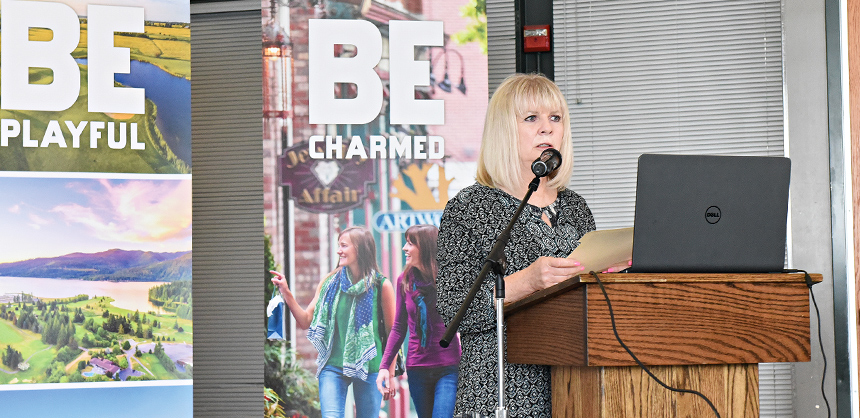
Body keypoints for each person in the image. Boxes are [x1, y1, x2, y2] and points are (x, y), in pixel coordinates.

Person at [435, 73, 599, 418]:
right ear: (503, 129)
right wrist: (528, 281)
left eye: (556, 118)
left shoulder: (576, 207)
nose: (547, 128)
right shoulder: (470, 207)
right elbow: (453, 310)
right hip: (501, 387)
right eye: (531, 118)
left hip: (576, 385)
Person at [271, 226, 396, 418]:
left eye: (344, 246)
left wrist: (390, 373)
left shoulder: (381, 285)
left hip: (370, 365)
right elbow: (305, 321)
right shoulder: (330, 283)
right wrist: (286, 291)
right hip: (333, 365)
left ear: (360, 249)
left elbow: (392, 334)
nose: (339, 251)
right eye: (339, 245)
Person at [376, 224, 461, 418]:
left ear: (426, 247)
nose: (405, 248)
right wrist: (384, 367)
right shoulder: (404, 280)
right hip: (417, 369)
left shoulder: (449, 278)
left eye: (410, 243)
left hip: (448, 367)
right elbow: (398, 328)